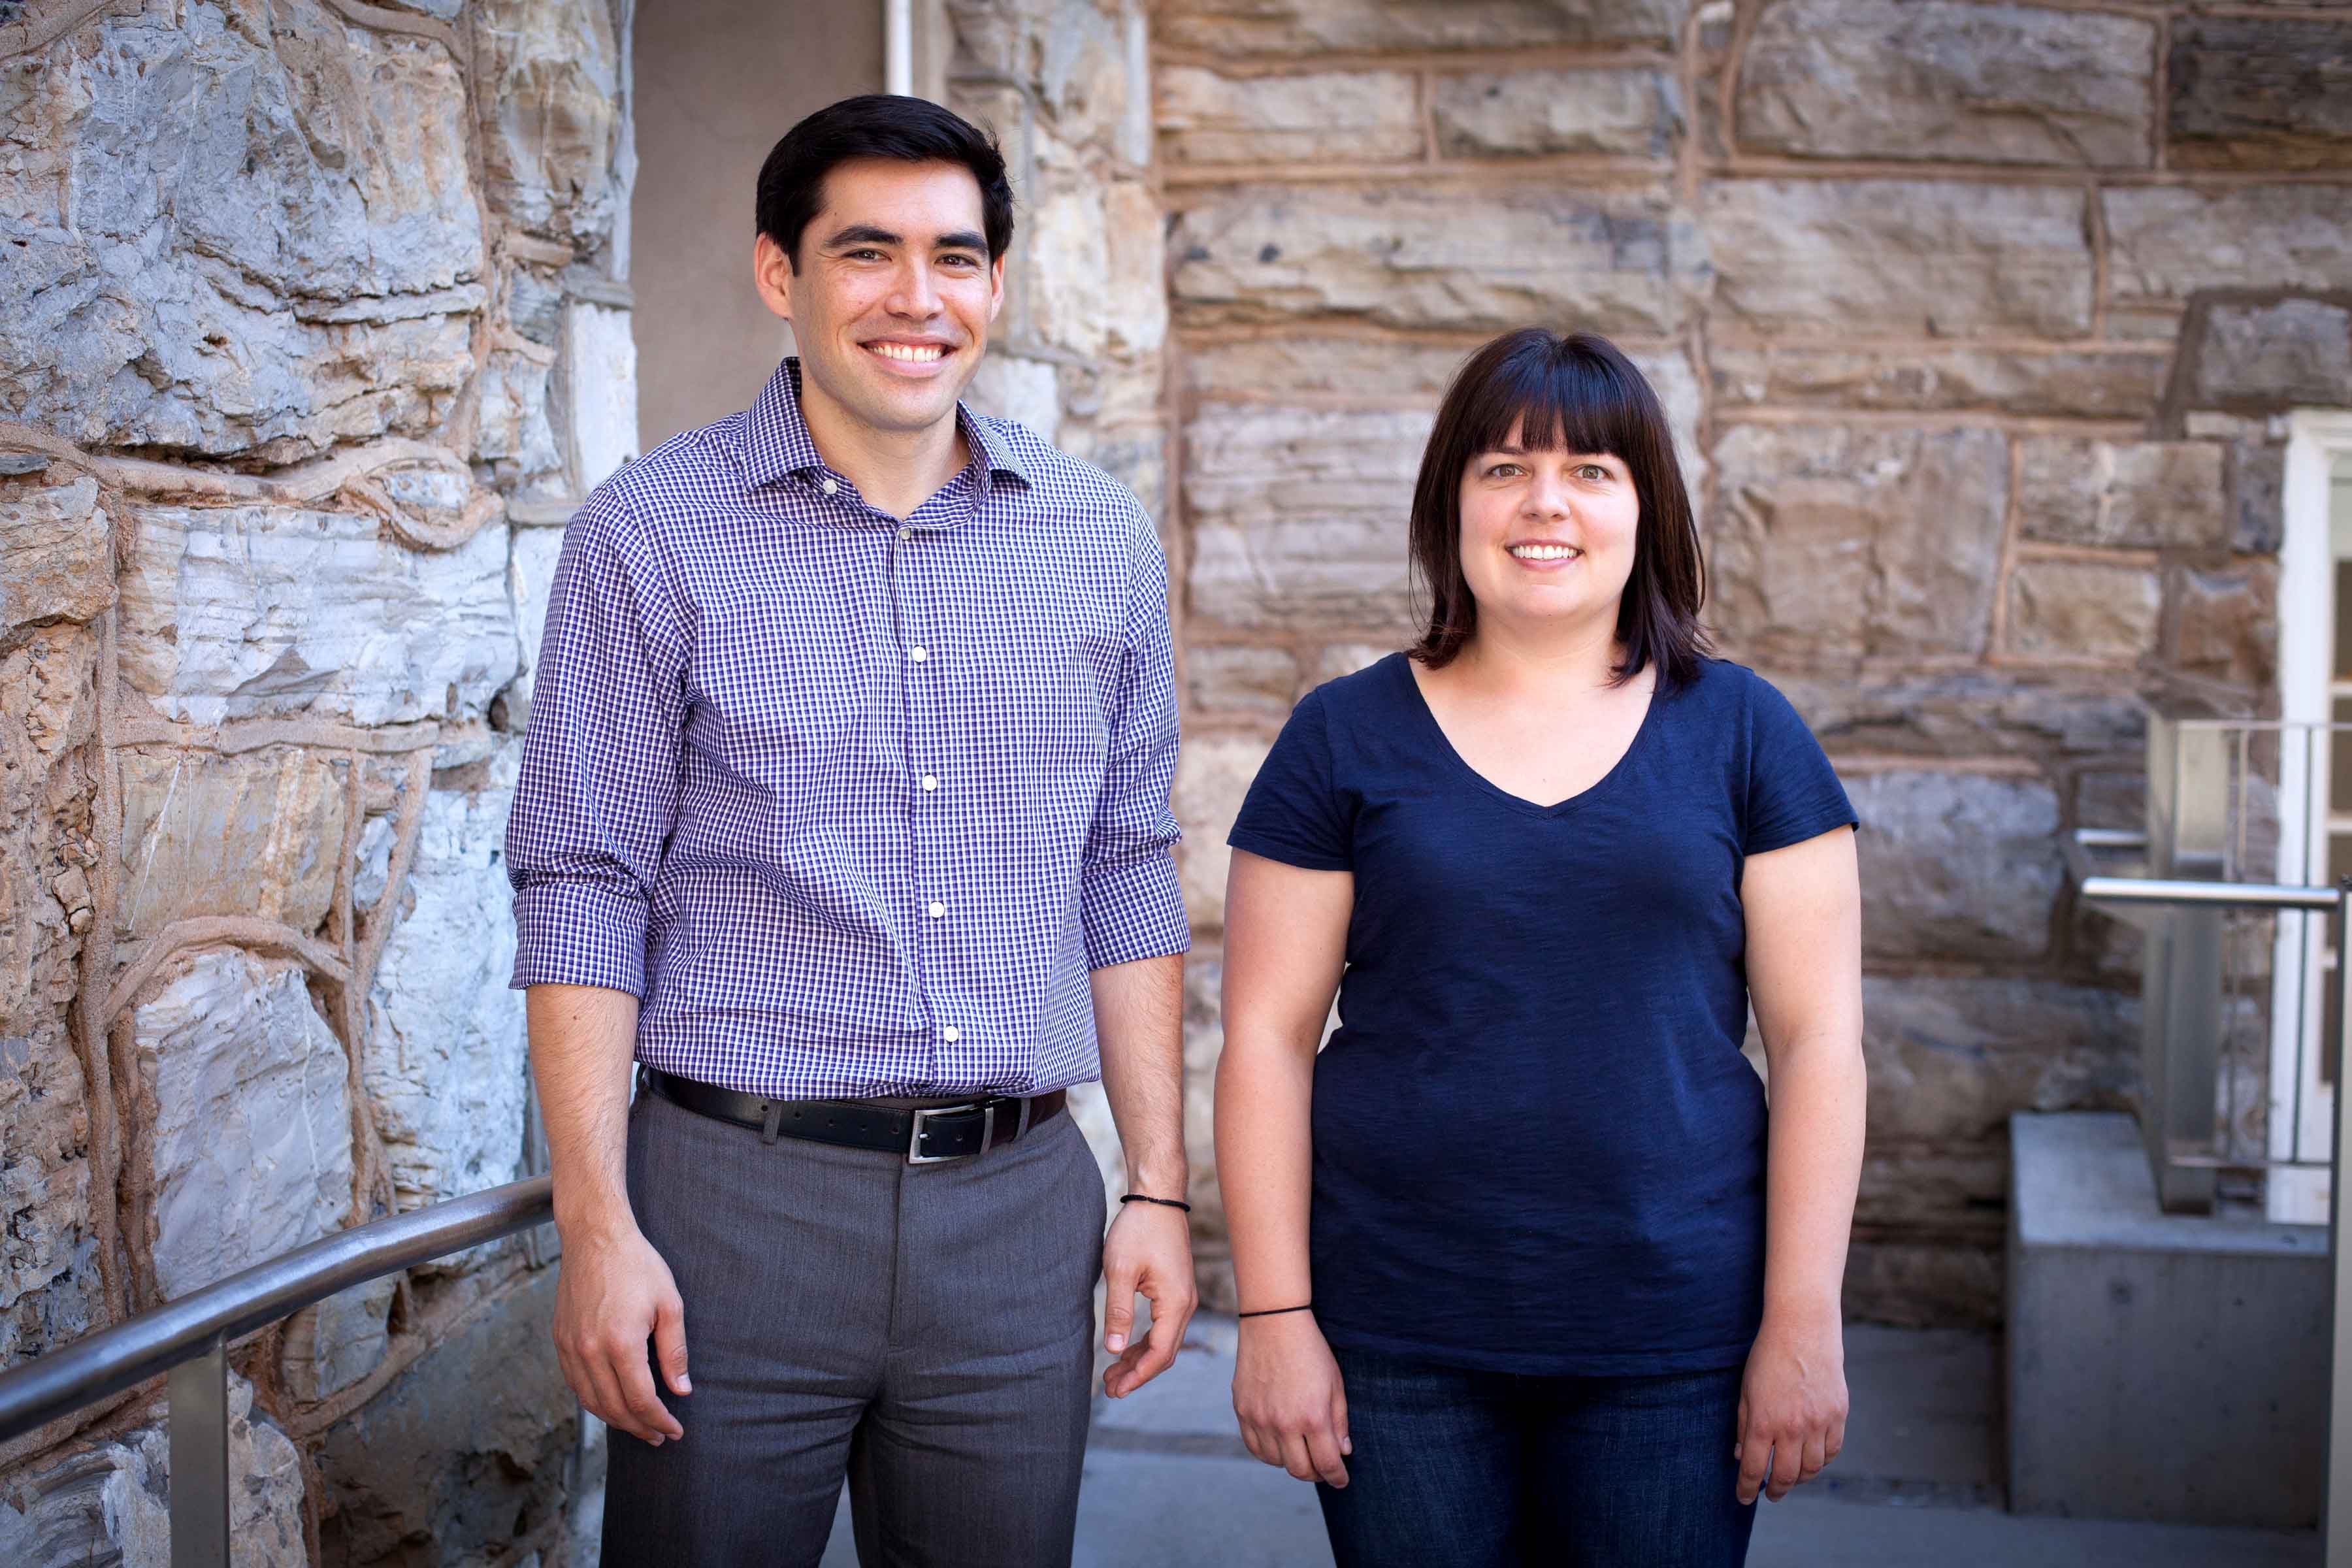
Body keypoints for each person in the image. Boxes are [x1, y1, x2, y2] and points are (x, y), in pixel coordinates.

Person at [504, 94, 1196, 1568]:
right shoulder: (651, 533)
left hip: (1018, 1217)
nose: (916, 300)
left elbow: (1128, 866)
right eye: (867, 253)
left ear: (995, 288)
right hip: (729, 1214)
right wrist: (597, 1229)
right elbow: (581, 882)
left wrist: (1157, 1187)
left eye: (955, 258)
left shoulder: (1096, 539)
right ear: (782, 274)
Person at [1214, 328, 1865, 1567]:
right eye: (1505, 469)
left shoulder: (1745, 733)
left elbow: (1820, 1042)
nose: (1545, 504)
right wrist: (1277, 1314)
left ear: (1646, 508)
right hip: (1397, 1342)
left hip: (1674, 1343)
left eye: (1591, 471)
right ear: (1450, 503)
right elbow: (1266, 1041)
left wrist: (1802, 1317)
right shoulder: (1340, 737)